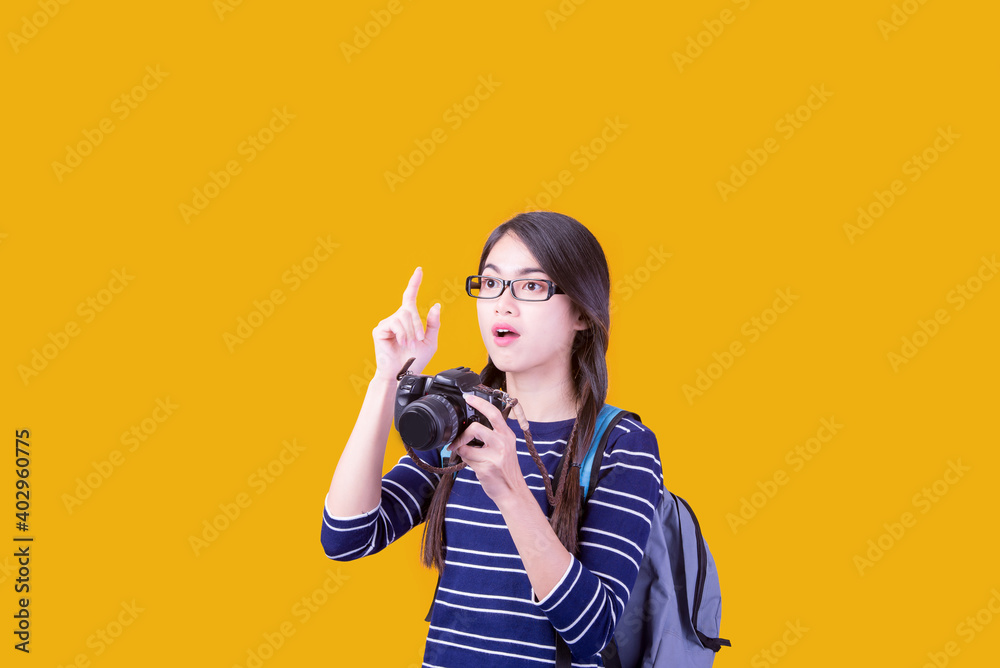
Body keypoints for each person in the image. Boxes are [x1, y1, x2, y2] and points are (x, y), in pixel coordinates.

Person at [321, 211, 664, 667]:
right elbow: (347, 536)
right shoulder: (461, 417)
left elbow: (591, 630)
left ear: (582, 311)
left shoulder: (622, 443)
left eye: (531, 286)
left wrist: (511, 489)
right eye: (491, 283)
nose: (503, 304)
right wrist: (387, 379)